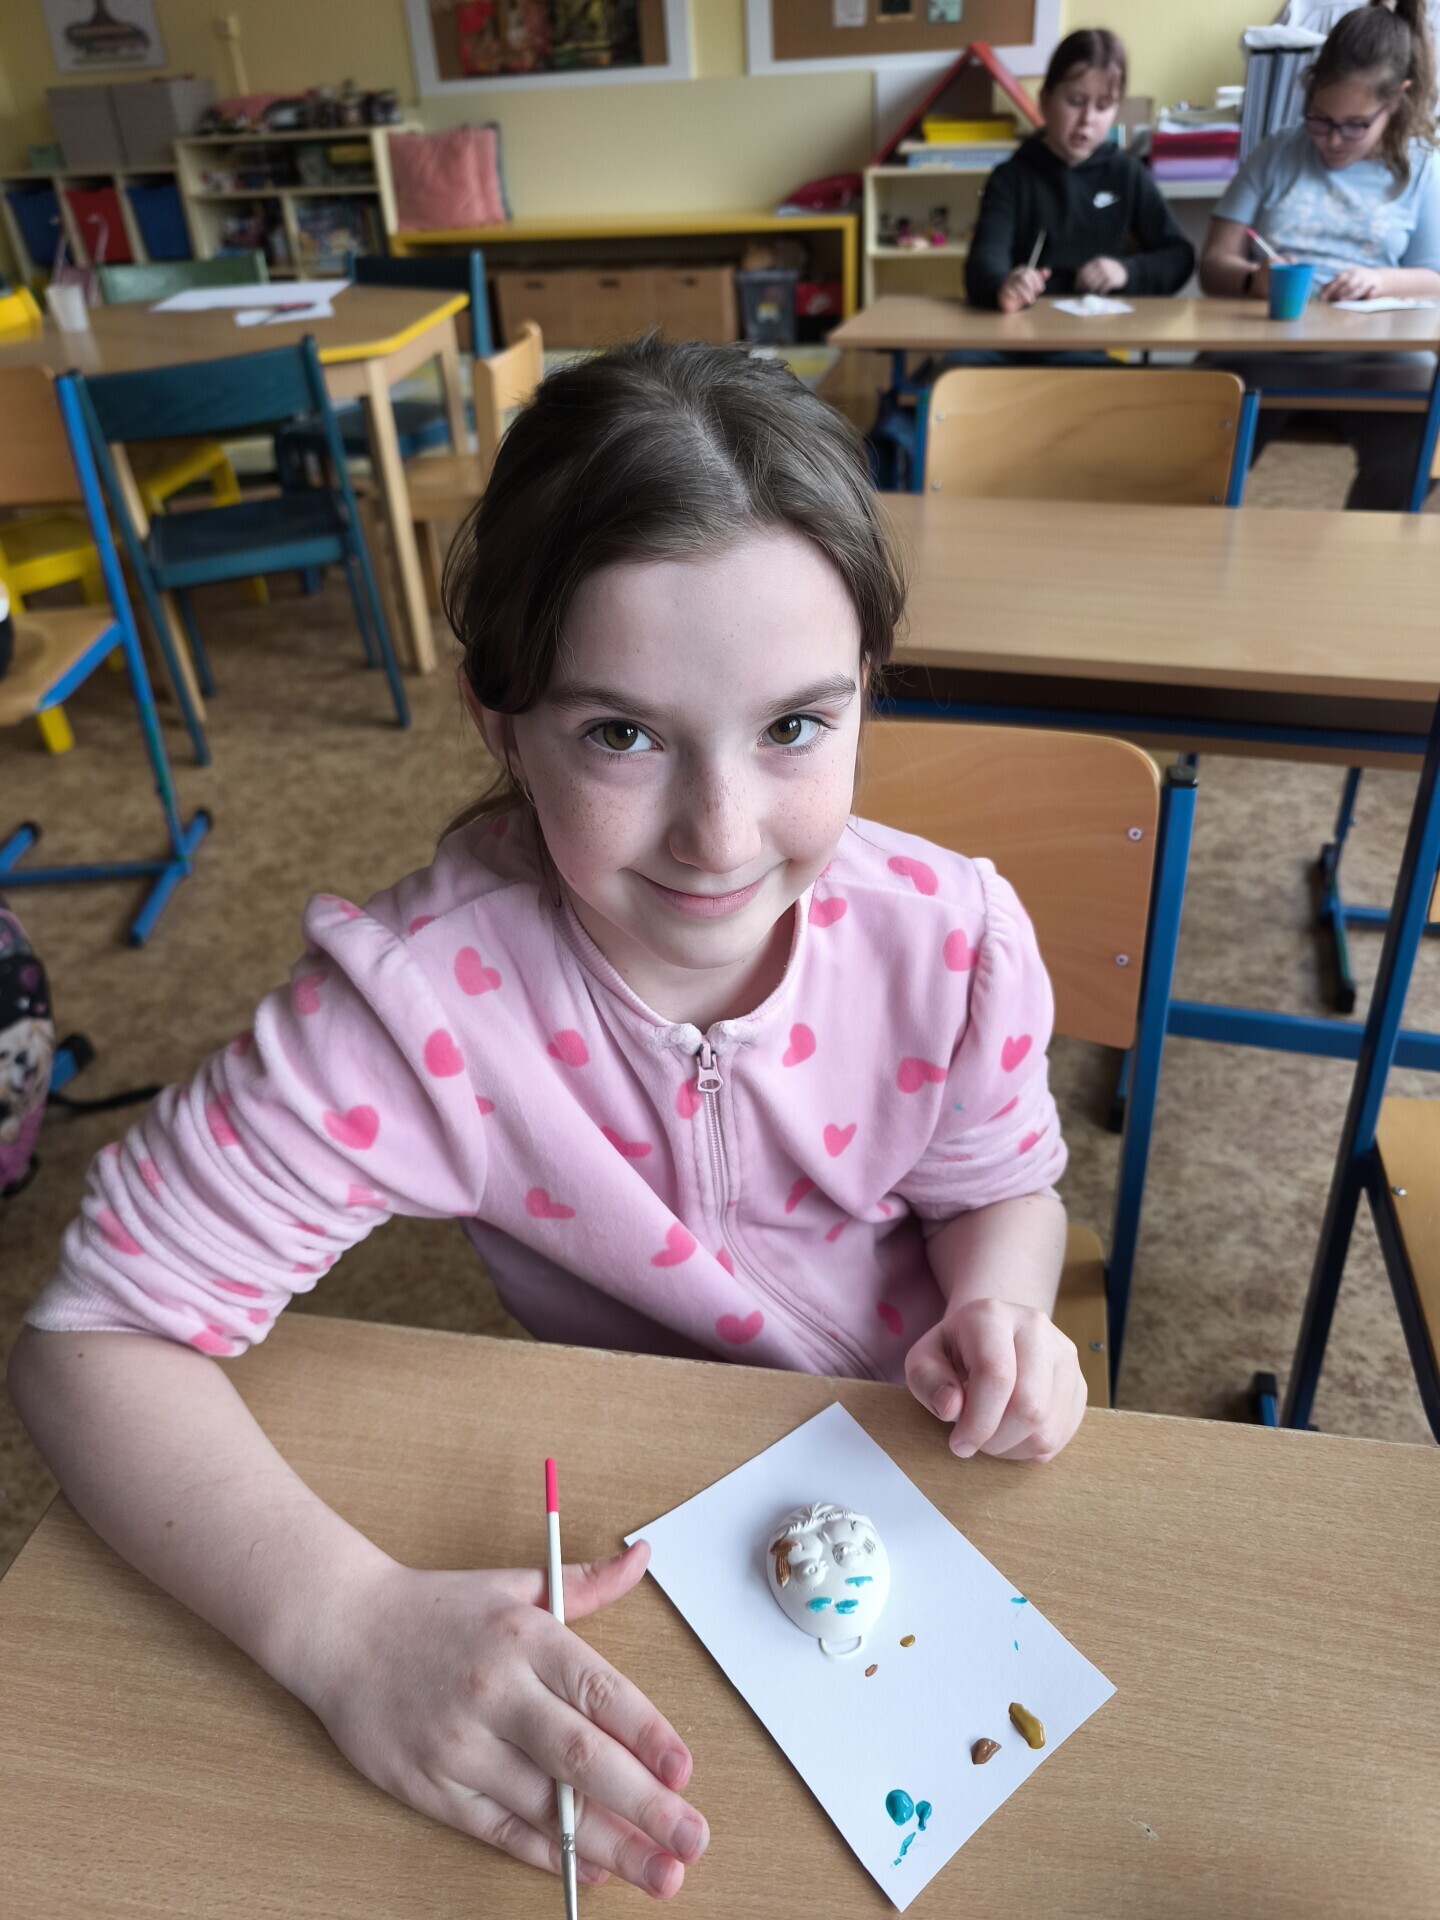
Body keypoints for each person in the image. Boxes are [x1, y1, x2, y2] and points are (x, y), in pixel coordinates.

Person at [8, 338, 1083, 1902]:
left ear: (866, 687)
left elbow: (1006, 1186)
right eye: (622, 735)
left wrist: (1002, 1302)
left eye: (796, 726)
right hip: (640, 1530)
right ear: (501, 726)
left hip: (927, 1492)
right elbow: (85, 1341)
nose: (720, 836)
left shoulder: (955, 940)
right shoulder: (417, 1011)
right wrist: (340, 1620)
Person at [1202, 0, 1440, 509]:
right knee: (1193, 431)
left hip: (1378, 356)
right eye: (1320, 119)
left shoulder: (1422, 167)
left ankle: (1369, 546)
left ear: (1396, 100)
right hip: (1264, 350)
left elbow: (1435, 276)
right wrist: (1251, 278)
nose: (1333, 140)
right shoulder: (1277, 151)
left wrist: (1380, 281)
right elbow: (1215, 263)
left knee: (1420, 440)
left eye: (1355, 125)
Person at [966, 27, 1196, 312]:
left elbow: (1179, 256)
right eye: (1075, 101)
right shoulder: (1010, 178)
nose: (1088, 119)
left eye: (1103, 106)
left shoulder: (1127, 173)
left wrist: (1127, 271)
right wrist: (1004, 285)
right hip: (1025, 322)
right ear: (1045, 100)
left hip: (1099, 327)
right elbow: (982, 264)